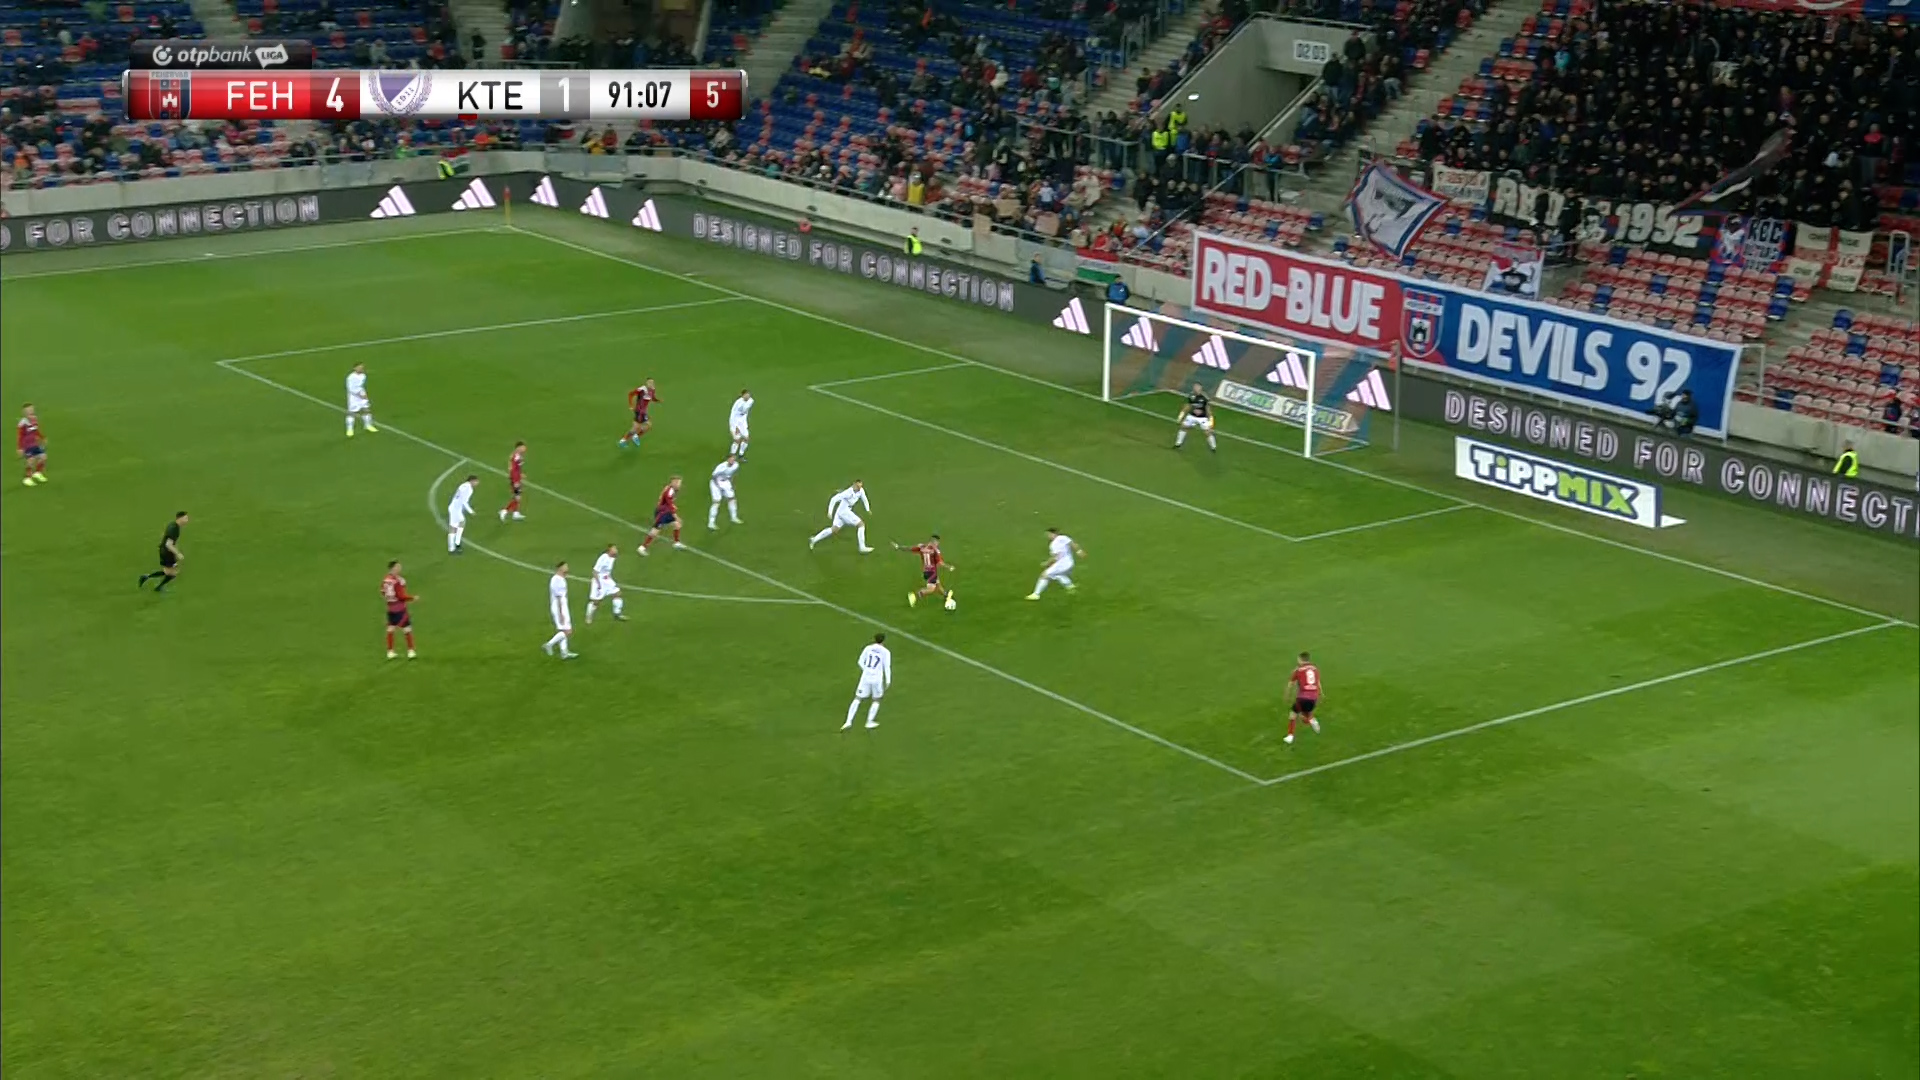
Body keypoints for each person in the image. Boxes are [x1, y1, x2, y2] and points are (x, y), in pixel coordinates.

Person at [842, 632, 891, 731]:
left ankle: (848, 721)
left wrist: (867, 670)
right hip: (877, 679)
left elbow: (860, 662)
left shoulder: (868, 648)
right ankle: (869, 722)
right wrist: (888, 680)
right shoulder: (886, 652)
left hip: (865, 677)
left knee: (857, 698)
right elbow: (887, 667)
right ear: (883, 641)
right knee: (876, 699)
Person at [809, 480, 874, 552]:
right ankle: (862, 547)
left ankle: (814, 539)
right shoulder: (848, 492)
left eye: (860, 487)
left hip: (841, 511)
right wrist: (830, 512)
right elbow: (834, 499)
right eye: (858, 486)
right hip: (844, 512)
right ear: (854, 485)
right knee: (861, 524)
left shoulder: (860, 491)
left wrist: (867, 509)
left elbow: (864, 499)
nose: (859, 488)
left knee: (834, 529)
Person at [897, 534, 954, 608]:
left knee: (937, 584)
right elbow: (940, 563)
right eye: (937, 542)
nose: (937, 544)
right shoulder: (935, 550)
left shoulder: (922, 547)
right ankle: (915, 595)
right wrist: (949, 567)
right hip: (932, 571)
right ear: (935, 541)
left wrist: (899, 547)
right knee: (932, 589)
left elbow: (910, 548)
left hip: (926, 571)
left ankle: (945, 595)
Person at [1027, 527, 1084, 599]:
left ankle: (1036, 594)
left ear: (1054, 534)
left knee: (1044, 575)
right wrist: (1079, 551)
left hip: (1062, 564)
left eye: (1049, 534)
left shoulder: (1054, 544)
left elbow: (1056, 557)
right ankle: (1070, 587)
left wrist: (1047, 563)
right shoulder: (1063, 537)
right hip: (1070, 563)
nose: (1048, 537)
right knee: (1057, 574)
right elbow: (1072, 544)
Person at [138, 511, 189, 592]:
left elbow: (165, 537)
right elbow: (168, 544)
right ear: (180, 518)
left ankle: (149, 580)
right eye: (186, 518)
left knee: (169, 572)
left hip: (165, 551)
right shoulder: (174, 528)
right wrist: (178, 554)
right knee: (172, 574)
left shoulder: (173, 525)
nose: (187, 520)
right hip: (167, 553)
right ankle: (157, 586)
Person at [638, 476, 687, 553]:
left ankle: (676, 543)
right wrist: (676, 516)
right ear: (673, 483)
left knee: (677, 525)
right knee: (655, 531)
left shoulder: (672, 489)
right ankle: (642, 547)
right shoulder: (670, 491)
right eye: (678, 483)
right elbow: (669, 504)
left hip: (666, 511)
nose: (679, 485)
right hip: (662, 513)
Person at [381, 560, 417, 659]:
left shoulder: (385, 580)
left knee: (390, 629)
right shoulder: (396, 582)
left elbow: (383, 591)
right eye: (397, 567)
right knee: (407, 629)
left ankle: (390, 652)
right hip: (400, 609)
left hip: (390, 608)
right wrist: (413, 598)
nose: (399, 568)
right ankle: (411, 651)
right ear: (393, 568)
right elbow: (401, 596)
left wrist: (389, 599)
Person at [1283, 651, 1322, 744]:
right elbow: (1318, 682)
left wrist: (1287, 695)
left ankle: (1290, 736)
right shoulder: (1315, 669)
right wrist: (1320, 693)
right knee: (1304, 715)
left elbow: (1290, 684)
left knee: (1293, 715)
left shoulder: (1298, 670)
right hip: (1313, 697)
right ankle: (1311, 720)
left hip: (1302, 697)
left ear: (1300, 660)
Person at [543, 561, 579, 658]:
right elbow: (558, 597)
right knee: (567, 631)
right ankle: (549, 644)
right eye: (565, 566)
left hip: (562, 606)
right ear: (560, 568)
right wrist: (561, 613)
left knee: (562, 630)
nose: (567, 568)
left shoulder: (560, 578)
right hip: (559, 607)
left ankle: (564, 653)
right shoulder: (557, 580)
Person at [586, 543, 626, 623]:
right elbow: (594, 572)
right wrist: (598, 585)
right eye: (614, 549)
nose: (616, 550)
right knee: (596, 602)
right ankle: (589, 616)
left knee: (617, 593)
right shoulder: (603, 558)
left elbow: (608, 570)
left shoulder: (612, 557)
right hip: (599, 581)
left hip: (607, 580)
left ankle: (617, 614)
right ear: (609, 550)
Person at [1174, 381, 1217, 452]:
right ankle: (1178, 444)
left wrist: (1211, 420)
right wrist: (1181, 416)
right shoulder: (1191, 395)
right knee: (1183, 427)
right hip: (1192, 416)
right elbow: (1188, 406)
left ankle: (1213, 447)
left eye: (1197, 387)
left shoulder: (1204, 397)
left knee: (1207, 432)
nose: (1195, 388)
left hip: (1202, 417)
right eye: (1194, 387)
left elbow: (1208, 409)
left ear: (1200, 388)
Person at [620, 378, 659, 448]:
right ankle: (623, 441)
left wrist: (657, 400)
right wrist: (631, 405)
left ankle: (635, 437)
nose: (651, 384)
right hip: (639, 411)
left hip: (644, 412)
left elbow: (652, 397)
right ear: (646, 383)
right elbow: (630, 394)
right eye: (649, 382)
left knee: (648, 426)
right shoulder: (642, 389)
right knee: (635, 428)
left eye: (652, 382)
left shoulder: (652, 389)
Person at [708, 455, 742, 529]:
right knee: (716, 502)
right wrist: (720, 488)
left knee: (732, 498)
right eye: (731, 459)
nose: (732, 461)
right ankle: (711, 522)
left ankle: (734, 517)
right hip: (715, 483)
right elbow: (714, 477)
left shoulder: (736, 465)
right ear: (728, 459)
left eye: (734, 459)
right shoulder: (721, 467)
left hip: (726, 482)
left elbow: (733, 474)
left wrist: (731, 484)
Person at [446, 474, 477, 553]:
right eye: (475, 481)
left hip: (455, 508)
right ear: (471, 481)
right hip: (455, 510)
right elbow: (464, 501)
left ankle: (457, 542)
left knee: (462, 522)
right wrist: (471, 511)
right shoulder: (469, 489)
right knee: (453, 529)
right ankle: (452, 548)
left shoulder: (463, 485)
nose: (476, 483)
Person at [17, 403, 46, 485]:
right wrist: (20, 448)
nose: (31, 411)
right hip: (27, 446)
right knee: (31, 460)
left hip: (34, 444)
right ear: (24, 412)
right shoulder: (22, 423)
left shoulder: (34, 419)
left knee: (43, 457)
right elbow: (20, 436)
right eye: (28, 410)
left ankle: (37, 473)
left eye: (31, 409)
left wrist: (42, 437)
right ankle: (27, 478)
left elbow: (36, 430)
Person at [345, 362, 377, 437]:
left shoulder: (363, 376)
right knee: (352, 413)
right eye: (359, 367)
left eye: (362, 368)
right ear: (354, 368)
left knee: (366, 410)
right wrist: (360, 395)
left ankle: (368, 425)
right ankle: (350, 429)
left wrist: (363, 394)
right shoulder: (350, 377)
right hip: (354, 397)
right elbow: (350, 388)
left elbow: (361, 386)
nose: (361, 369)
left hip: (362, 394)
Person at [499, 441, 527, 521]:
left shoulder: (517, 455)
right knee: (517, 498)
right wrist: (515, 481)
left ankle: (516, 513)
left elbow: (516, 468)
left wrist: (520, 474)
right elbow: (513, 470)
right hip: (515, 480)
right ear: (518, 447)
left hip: (517, 478)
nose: (524, 449)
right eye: (523, 447)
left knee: (518, 496)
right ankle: (504, 511)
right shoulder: (516, 456)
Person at [727, 389, 754, 458]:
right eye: (746, 395)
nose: (747, 396)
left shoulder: (751, 401)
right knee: (737, 440)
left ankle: (741, 454)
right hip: (735, 422)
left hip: (743, 422)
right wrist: (735, 427)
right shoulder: (738, 404)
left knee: (746, 439)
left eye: (748, 395)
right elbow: (733, 415)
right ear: (742, 395)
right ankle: (732, 455)